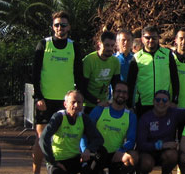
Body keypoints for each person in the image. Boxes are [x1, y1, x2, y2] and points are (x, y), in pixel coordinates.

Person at [32, 11, 85, 174]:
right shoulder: (43, 44)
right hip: (46, 101)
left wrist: (80, 99)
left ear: (68, 27)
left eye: (63, 25)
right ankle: (36, 171)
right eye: (56, 25)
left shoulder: (74, 46)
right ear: (52, 27)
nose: (59, 28)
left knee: (63, 138)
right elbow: (35, 73)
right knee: (42, 139)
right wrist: (38, 97)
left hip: (66, 103)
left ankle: (56, 169)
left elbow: (79, 74)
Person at [39, 90, 103, 174]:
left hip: (75, 159)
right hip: (58, 160)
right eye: (73, 102)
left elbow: (98, 139)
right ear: (65, 104)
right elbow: (43, 139)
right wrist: (53, 161)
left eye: (79, 102)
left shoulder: (84, 118)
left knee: (102, 152)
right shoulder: (59, 117)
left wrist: (88, 150)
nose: (76, 105)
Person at [136, 90, 185, 174]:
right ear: (153, 101)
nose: (161, 102)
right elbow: (141, 145)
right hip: (148, 152)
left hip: (165, 153)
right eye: (157, 100)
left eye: (164, 100)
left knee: (173, 155)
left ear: (169, 103)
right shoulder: (145, 118)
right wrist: (161, 145)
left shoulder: (173, 112)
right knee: (146, 163)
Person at [85, 81, 138, 173]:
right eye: (118, 91)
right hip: (97, 153)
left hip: (115, 155)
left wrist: (121, 150)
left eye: (124, 92)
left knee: (132, 157)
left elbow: (131, 139)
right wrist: (86, 149)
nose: (121, 94)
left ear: (128, 96)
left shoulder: (131, 116)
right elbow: (85, 131)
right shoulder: (99, 110)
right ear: (113, 93)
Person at [127, 26, 180, 116]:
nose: (151, 40)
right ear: (142, 39)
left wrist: (175, 100)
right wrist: (129, 105)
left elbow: (175, 79)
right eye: (147, 38)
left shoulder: (167, 54)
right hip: (143, 104)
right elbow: (130, 83)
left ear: (158, 38)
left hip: (163, 102)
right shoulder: (136, 58)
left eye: (154, 38)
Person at [81, 31, 121, 113]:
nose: (110, 48)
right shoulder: (89, 60)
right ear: (99, 44)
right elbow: (82, 88)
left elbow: (116, 84)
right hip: (88, 104)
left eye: (112, 45)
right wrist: (98, 102)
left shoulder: (115, 61)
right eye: (107, 45)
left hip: (104, 103)